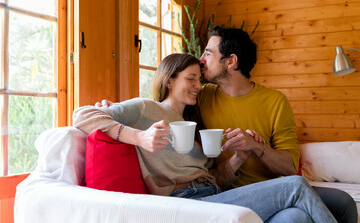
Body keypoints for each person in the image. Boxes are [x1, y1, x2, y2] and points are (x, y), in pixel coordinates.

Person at [73, 53, 337, 223]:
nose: (199, 86)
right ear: (169, 81)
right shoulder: (145, 109)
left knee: (295, 217)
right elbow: (82, 115)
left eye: (200, 79)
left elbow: (215, 179)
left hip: (212, 195)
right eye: (191, 79)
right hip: (185, 203)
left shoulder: (196, 125)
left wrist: (239, 158)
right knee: (295, 185)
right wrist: (139, 137)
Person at [198, 25, 358, 223]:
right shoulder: (202, 97)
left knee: (343, 202)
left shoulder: (275, 102)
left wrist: (257, 146)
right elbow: (167, 96)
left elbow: (290, 168)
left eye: (208, 53)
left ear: (231, 61)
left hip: (274, 192)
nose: (201, 60)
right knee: (297, 217)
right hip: (230, 195)